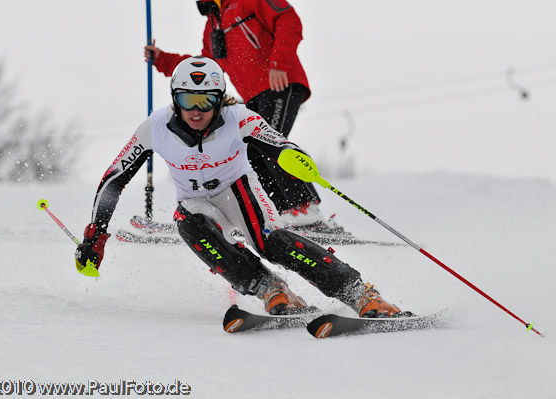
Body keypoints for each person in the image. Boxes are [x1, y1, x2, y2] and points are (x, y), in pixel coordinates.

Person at [75, 56, 409, 318]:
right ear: (174, 98)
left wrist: (293, 157)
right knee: (189, 224)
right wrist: (96, 234)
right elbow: (113, 179)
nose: (195, 110)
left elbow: (277, 143)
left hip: (237, 191)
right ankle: (271, 289)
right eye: (186, 99)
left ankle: (360, 294)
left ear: (220, 100)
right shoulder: (155, 127)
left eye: (205, 102)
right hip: (195, 201)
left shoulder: (239, 117)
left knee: (271, 242)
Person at [143, 0, 329, 229]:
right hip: (254, 95)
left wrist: (279, 62)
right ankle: (285, 211)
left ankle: (306, 207)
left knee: (269, 144)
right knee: (250, 151)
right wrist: (162, 59)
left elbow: (289, 21)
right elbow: (203, 68)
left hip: (280, 82)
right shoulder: (212, 24)